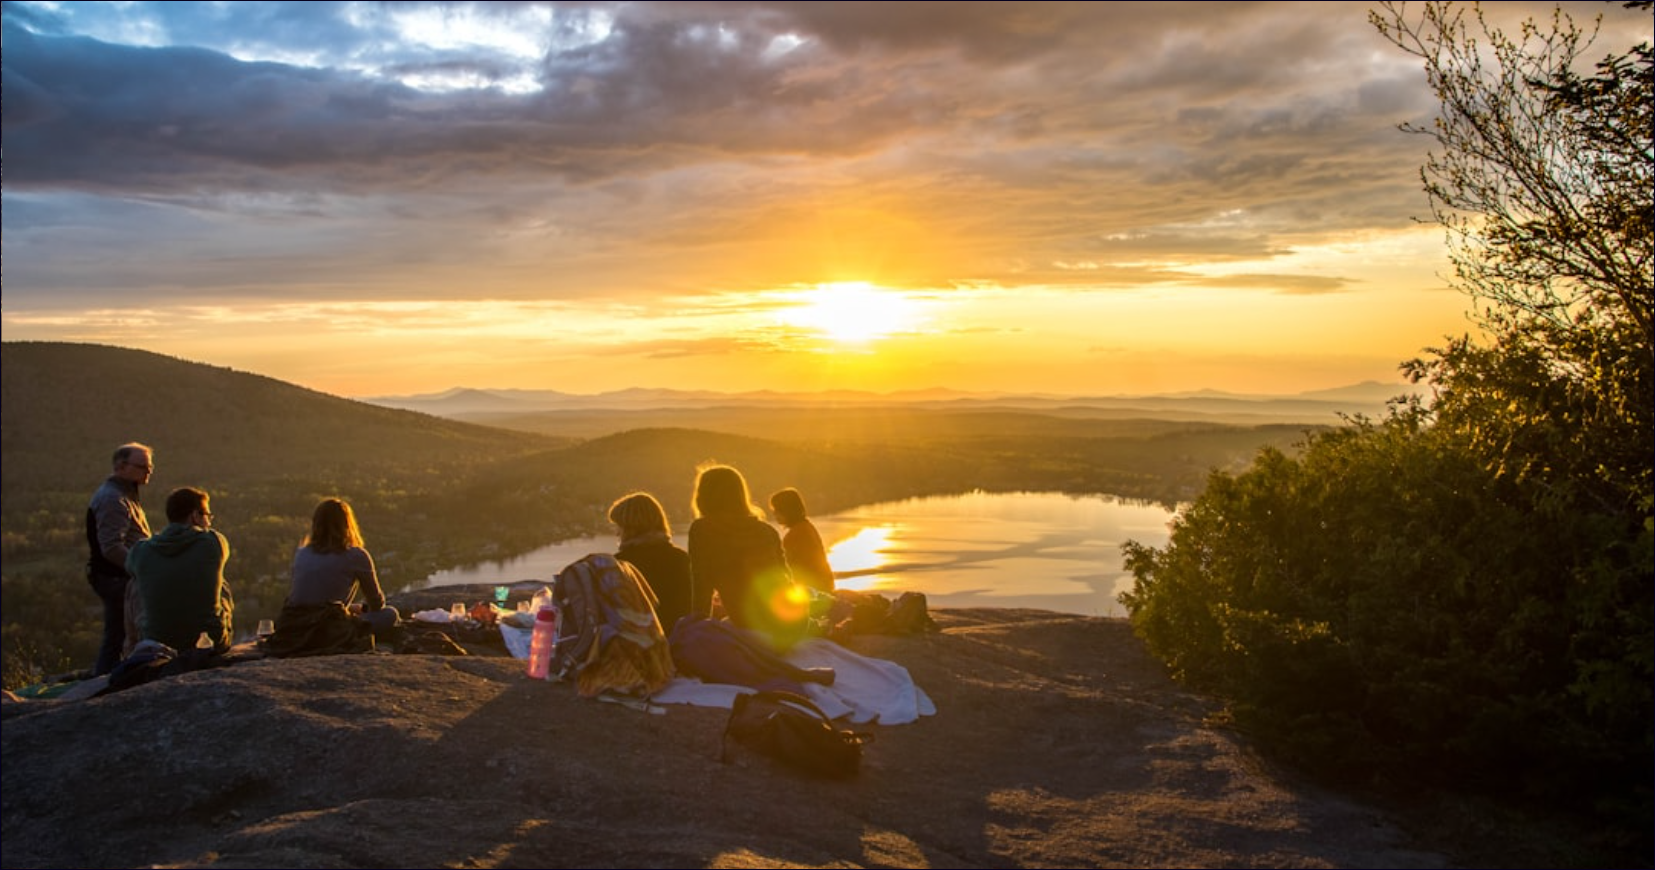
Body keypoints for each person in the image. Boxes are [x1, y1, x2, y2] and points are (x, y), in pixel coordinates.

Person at [687, 464, 808, 650]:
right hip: (794, 626)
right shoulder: (767, 530)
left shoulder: (702, 530)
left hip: (756, 631)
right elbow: (787, 580)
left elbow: (702, 588)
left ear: (703, 496)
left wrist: (697, 632)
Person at [126, 487, 234, 654]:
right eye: (207, 516)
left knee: (134, 583)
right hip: (209, 642)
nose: (209, 522)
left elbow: (129, 567)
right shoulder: (214, 542)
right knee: (221, 582)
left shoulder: (140, 550)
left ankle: (132, 648)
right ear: (195, 516)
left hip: (157, 643)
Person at [85, 442, 155, 675]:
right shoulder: (113, 499)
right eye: (143, 466)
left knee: (121, 633)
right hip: (116, 578)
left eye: (150, 466)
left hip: (119, 576)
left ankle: (108, 678)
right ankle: (106, 682)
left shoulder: (124, 494)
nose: (149, 470)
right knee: (118, 634)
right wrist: (140, 569)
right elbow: (112, 547)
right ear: (121, 467)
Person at [285, 498, 399, 639]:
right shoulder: (356, 555)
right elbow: (376, 604)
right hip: (329, 630)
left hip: (294, 627)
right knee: (390, 614)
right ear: (347, 524)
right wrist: (362, 609)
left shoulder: (302, 553)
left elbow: (313, 600)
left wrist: (353, 608)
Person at [609, 492, 693, 634]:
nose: (617, 533)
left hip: (638, 646)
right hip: (681, 641)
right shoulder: (681, 558)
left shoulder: (620, 565)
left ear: (630, 527)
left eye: (619, 527)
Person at [769, 487, 835, 594]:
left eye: (777, 510)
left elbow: (787, 568)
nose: (774, 514)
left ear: (786, 510)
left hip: (812, 591)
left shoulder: (795, 535)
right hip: (824, 586)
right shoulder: (807, 527)